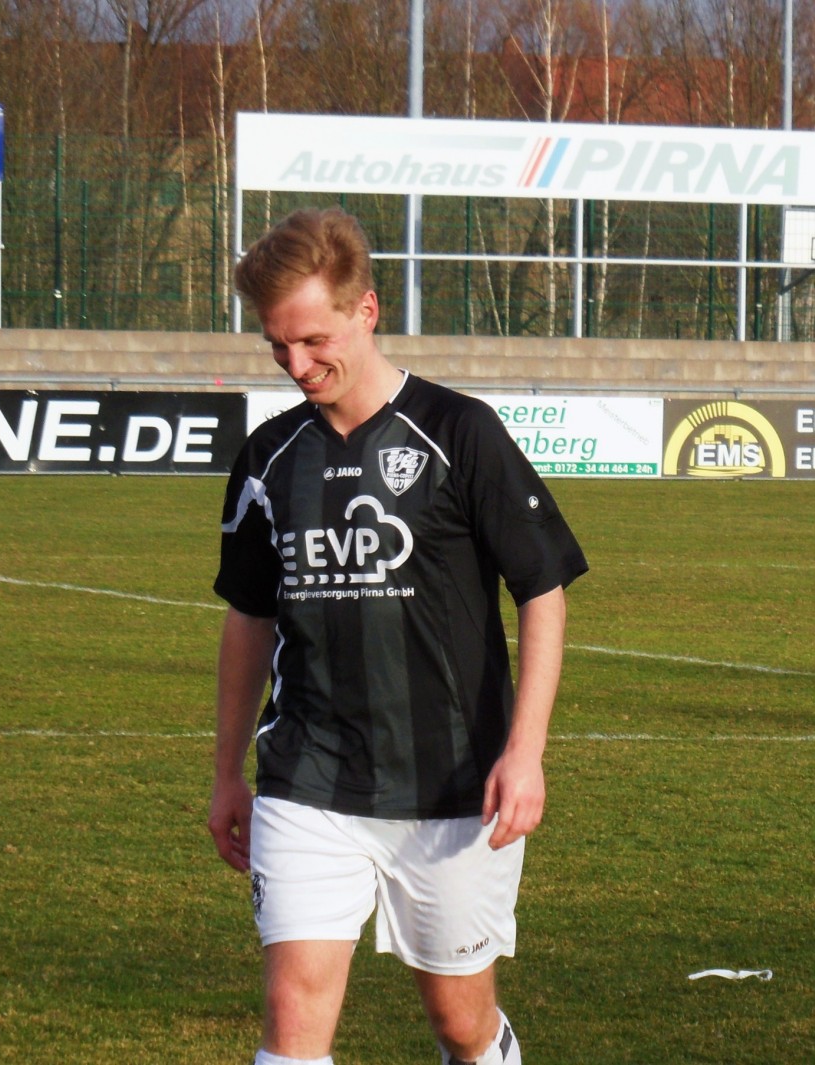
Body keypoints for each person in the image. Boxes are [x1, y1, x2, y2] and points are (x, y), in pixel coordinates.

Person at [208, 207, 588, 1065]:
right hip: (308, 776)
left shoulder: (459, 433)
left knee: (461, 1024)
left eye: (311, 339)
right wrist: (228, 772)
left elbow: (545, 590)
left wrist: (525, 752)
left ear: (366, 309)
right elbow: (247, 617)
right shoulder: (269, 458)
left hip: (453, 783)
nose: (296, 364)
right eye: (277, 346)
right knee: (293, 1019)